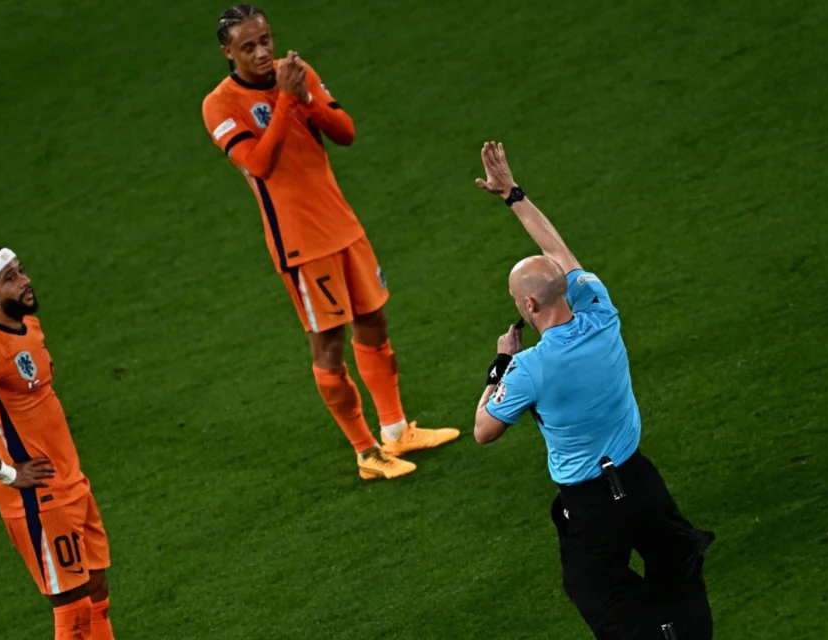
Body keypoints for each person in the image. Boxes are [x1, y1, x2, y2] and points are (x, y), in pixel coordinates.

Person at [201, 4, 459, 480]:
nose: (263, 53)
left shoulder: (295, 74)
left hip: (343, 226)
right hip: (301, 244)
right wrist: (286, 100)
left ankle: (397, 430)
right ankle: (366, 453)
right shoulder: (219, 104)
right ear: (228, 53)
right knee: (329, 347)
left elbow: (345, 133)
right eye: (249, 47)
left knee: (374, 323)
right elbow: (259, 163)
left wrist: (305, 98)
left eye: (266, 40)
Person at [472, 142, 715, 639]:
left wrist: (499, 365)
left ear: (530, 306)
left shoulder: (529, 368)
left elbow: (483, 431)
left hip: (590, 505)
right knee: (679, 570)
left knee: (601, 597)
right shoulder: (601, 309)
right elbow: (558, 253)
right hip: (642, 481)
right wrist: (513, 195)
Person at [0, 246, 114, 640]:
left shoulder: (29, 326)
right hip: (39, 498)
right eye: (10, 279)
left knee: (97, 593)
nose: (24, 281)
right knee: (73, 611)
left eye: (20, 272)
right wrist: (6, 473)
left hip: (72, 482)